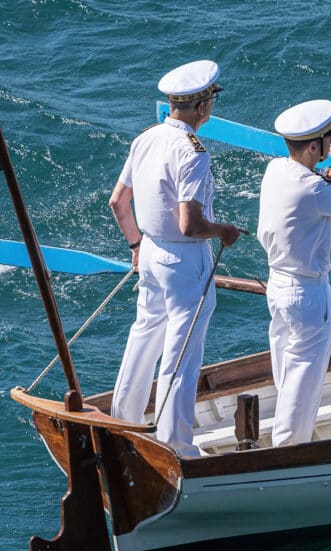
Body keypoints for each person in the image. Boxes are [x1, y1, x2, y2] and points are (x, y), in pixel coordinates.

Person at [108, 60, 242, 456]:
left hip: (149, 251)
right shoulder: (194, 152)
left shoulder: (146, 138)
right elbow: (190, 225)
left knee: (144, 336)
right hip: (184, 260)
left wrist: (136, 247)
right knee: (181, 354)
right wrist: (224, 230)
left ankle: (122, 423)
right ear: (202, 106)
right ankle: (176, 444)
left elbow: (118, 202)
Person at [256, 100, 331, 447]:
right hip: (307, 293)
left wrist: (326, 178)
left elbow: (306, 192)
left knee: (287, 375)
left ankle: (286, 443)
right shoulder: (313, 189)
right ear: (315, 147)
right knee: (303, 382)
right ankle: (288, 453)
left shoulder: (276, 169)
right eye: (328, 140)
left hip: (278, 286)